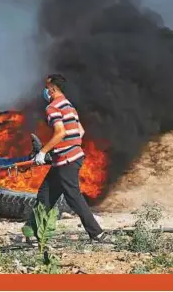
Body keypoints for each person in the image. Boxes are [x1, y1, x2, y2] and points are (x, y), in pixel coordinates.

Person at [32, 74, 106, 242]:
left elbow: (60, 132)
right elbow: (80, 131)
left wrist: (43, 152)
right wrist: (60, 149)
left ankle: (97, 233)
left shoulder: (53, 107)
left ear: (52, 89)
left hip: (67, 160)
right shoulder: (69, 106)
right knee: (45, 194)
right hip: (67, 158)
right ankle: (33, 231)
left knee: (73, 197)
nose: (44, 91)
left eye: (46, 87)